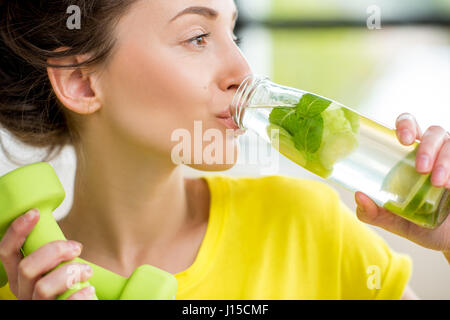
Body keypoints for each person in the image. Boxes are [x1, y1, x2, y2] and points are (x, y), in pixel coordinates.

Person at [0, 0, 448, 300]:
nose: (242, 70)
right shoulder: (23, 287)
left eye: (234, 34)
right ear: (81, 82)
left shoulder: (305, 226)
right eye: (197, 37)